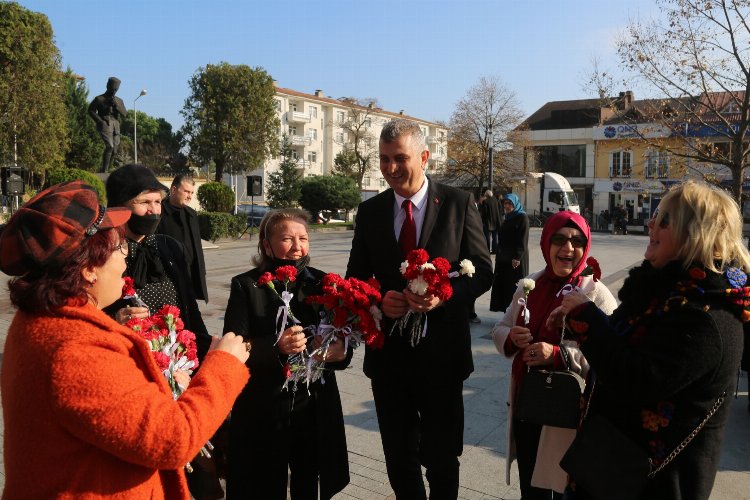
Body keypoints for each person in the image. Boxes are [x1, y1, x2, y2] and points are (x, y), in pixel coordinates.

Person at [0, 180, 250, 499]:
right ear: (89, 269)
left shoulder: (44, 319)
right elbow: (172, 439)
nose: (124, 258)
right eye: (118, 247)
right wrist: (222, 367)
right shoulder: (75, 347)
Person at [551, 181, 750, 500]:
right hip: (608, 466)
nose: (650, 224)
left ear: (695, 233)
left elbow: (637, 379)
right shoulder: (662, 293)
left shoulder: (707, 317)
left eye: (664, 219)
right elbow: (618, 342)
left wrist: (586, 318)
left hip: (653, 485)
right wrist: (576, 322)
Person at [346, 119, 493, 499]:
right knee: (399, 459)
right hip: (389, 360)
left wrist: (446, 294)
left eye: (400, 158)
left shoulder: (458, 204)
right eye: (383, 159)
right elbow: (356, 278)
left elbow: (483, 270)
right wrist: (379, 300)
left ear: (424, 157)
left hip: (442, 358)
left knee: (442, 458)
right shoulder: (371, 212)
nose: (391, 168)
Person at [103, 164, 216, 498]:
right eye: (144, 203)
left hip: (180, 367)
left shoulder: (167, 247)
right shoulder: (102, 253)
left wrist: (208, 353)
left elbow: (189, 311)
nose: (153, 210)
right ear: (121, 206)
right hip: (132, 376)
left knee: (195, 461)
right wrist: (115, 321)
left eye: (157, 201)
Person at [223, 208, 352, 500]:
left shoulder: (323, 283)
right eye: (287, 239)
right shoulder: (247, 285)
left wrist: (338, 352)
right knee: (265, 481)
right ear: (266, 245)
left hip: (312, 402)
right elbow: (234, 345)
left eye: (303, 238)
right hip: (264, 402)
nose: (297, 246)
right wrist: (275, 346)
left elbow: (344, 339)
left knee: (309, 476)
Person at [491, 211, 618, 499]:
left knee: (561, 489)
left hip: (568, 417)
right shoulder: (530, 284)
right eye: (559, 239)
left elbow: (613, 354)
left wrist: (558, 354)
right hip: (528, 406)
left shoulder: (595, 293)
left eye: (577, 241)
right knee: (532, 490)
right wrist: (511, 337)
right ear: (546, 242)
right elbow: (501, 327)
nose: (568, 248)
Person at [157, 173, 208, 302]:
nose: (190, 196)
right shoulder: (159, 213)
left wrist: (201, 271)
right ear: (173, 190)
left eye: (191, 193)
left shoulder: (192, 214)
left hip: (190, 277)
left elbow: (197, 247)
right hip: (168, 278)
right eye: (186, 191)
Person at [490, 193, 530, 312]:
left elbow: (523, 238)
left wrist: (517, 256)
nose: (507, 206)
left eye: (510, 203)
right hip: (504, 258)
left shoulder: (522, 217)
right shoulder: (507, 217)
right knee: (505, 286)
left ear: (515, 204)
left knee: (514, 286)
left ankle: (516, 312)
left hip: (515, 259)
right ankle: (506, 311)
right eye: (506, 203)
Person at [89, 77, 127, 173]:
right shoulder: (99, 99)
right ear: (107, 86)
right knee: (109, 146)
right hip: (105, 123)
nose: (113, 91)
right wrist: (99, 121)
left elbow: (125, 114)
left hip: (116, 125)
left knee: (114, 150)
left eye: (115, 89)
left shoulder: (119, 100)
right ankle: (104, 171)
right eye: (112, 88)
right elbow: (90, 110)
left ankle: (107, 169)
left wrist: (116, 106)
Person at [481, 189, 502, 253]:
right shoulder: (497, 200)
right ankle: (494, 249)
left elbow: (484, 212)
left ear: (486, 195)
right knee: (495, 236)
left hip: (488, 222)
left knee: (487, 236)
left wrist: (483, 221)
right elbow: (500, 210)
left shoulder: (485, 201)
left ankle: (487, 249)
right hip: (496, 221)